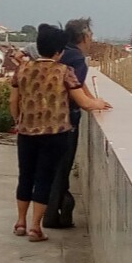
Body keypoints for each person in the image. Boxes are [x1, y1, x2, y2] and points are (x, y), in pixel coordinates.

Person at [10, 24, 111, 242]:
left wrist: (18, 121)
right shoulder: (65, 71)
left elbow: (13, 101)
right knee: (44, 178)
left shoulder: (23, 69)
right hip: (55, 134)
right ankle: (35, 228)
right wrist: (99, 103)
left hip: (26, 133)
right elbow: (84, 102)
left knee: (25, 176)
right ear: (58, 52)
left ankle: (20, 222)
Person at [44, 18, 95, 229]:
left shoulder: (62, 52)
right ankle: (52, 215)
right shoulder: (77, 58)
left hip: (47, 117)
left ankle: (51, 211)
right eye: (90, 34)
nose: (92, 38)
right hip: (66, 120)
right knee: (61, 168)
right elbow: (75, 90)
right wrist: (94, 103)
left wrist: (91, 98)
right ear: (84, 36)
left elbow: (78, 85)